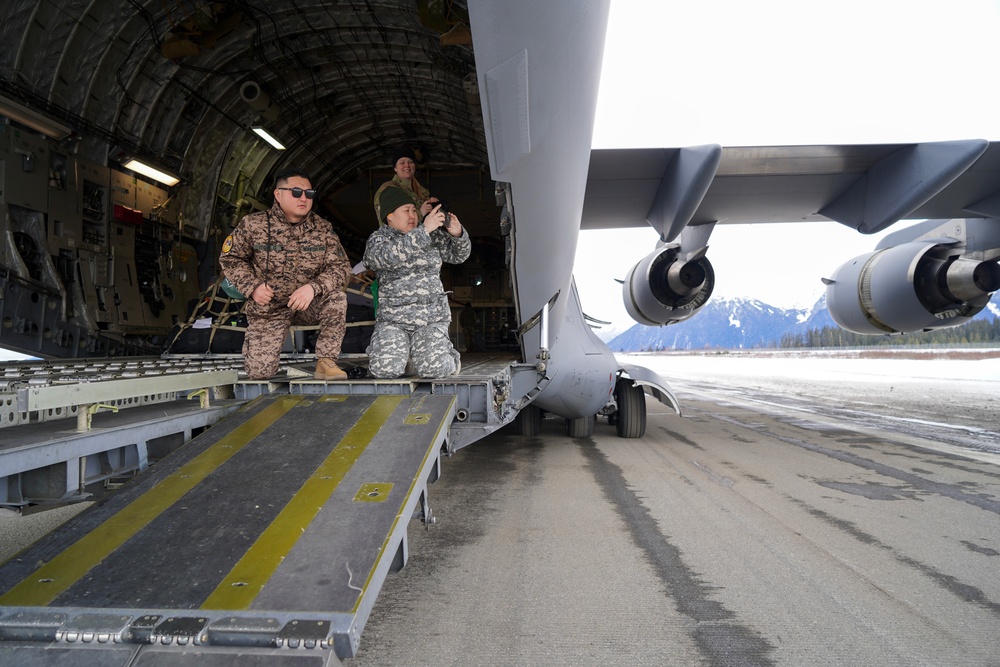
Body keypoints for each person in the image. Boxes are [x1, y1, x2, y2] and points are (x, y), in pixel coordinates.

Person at [219, 167, 352, 381]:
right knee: (259, 373)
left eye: (309, 194)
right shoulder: (253, 225)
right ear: (278, 194)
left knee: (336, 299)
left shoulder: (322, 229)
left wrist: (313, 288)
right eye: (296, 192)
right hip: (268, 307)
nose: (304, 198)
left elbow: (341, 268)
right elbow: (231, 258)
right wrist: (252, 288)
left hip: (306, 305)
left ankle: (326, 361)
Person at [364, 186, 471, 379]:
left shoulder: (430, 235)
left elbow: (458, 256)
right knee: (384, 371)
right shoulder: (379, 239)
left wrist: (458, 234)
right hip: (393, 321)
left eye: (414, 210)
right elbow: (383, 258)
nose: (412, 215)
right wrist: (423, 231)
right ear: (389, 216)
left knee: (434, 370)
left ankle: (450, 358)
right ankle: (407, 359)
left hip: (429, 318)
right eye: (406, 211)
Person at [372, 145, 437, 223]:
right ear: (395, 168)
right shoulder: (388, 189)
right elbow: (386, 224)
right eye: (402, 163)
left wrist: (432, 206)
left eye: (411, 162)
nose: (407, 165)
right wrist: (420, 213)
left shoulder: (420, 191)